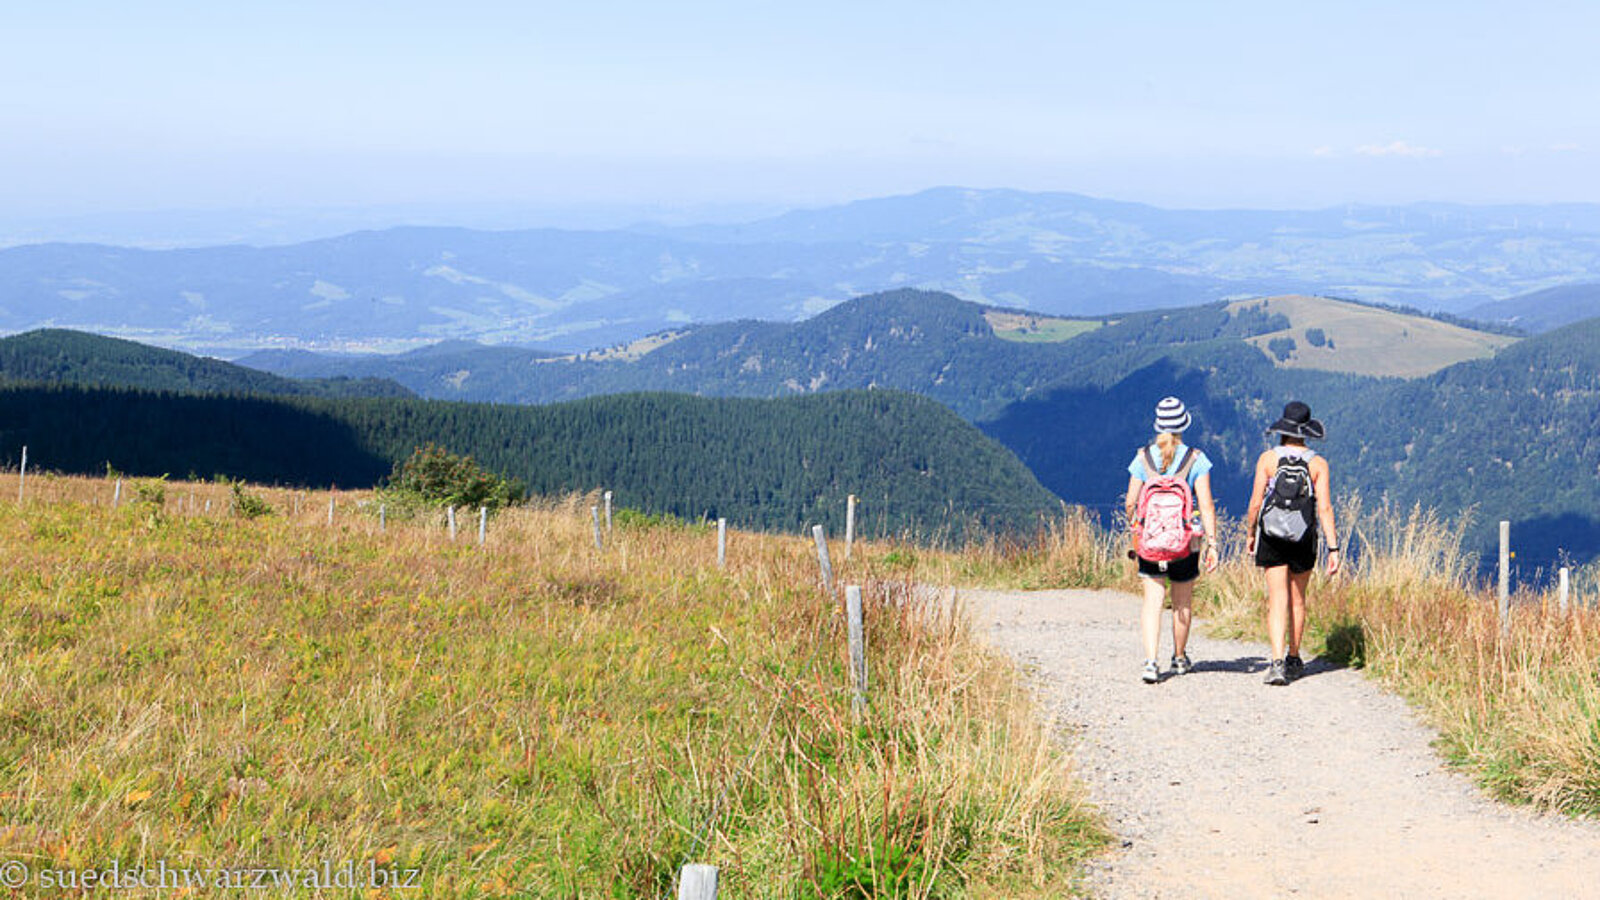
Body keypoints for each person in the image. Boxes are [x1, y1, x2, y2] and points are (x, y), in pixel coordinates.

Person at [1244, 400, 1342, 686]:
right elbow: (1324, 508)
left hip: (1272, 535)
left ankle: (1276, 663)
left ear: (1282, 429)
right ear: (1306, 432)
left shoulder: (1267, 460)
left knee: (1277, 600)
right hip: (1303, 537)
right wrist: (1333, 548)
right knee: (1298, 599)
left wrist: (1251, 533)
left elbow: (1255, 502)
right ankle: (1295, 658)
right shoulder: (1318, 464)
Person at [1126, 396, 1220, 684]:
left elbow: (1131, 502)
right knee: (1182, 602)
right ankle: (1179, 658)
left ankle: (1151, 663)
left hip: (1150, 542)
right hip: (1185, 544)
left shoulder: (1143, 457)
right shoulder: (1196, 459)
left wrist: (1139, 528)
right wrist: (1212, 543)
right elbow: (1206, 505)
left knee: (1152, 602)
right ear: (1183, 425)